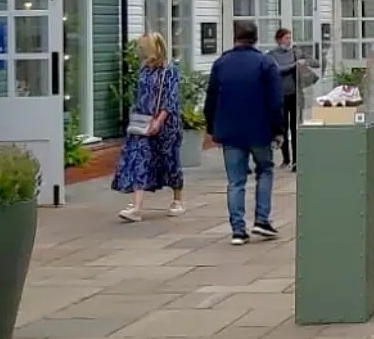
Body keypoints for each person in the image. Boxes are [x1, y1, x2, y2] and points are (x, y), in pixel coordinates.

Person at [203, 19, 283, 245]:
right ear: (255, 38)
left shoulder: (221, 63)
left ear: (235, 37)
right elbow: (275, 102)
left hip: (230, 130)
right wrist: (278, 130)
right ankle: (262, 219)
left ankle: (238, 230)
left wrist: (212, 128)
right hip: (260, 130)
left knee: (235, 181)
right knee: (265, 170)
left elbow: (211, 100)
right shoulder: (266, 64)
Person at [115, 33, 184, 222]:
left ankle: (177, 199)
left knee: (170, 162)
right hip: (143, 122)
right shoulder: (144, 70)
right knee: (140, 159)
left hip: (166, 125)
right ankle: (136, 207)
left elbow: (171, 99)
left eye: (143, 47)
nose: (140, 51)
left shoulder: (169, 71)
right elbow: (140, 95)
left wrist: (159, 120)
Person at [268, 28, 314, 169]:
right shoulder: (272, 55)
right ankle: (285, 159)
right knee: (282, 128)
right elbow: (278, 70)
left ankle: (296, 160)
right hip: (280, 95)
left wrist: (305, 60)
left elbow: (314, 62)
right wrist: (295, 65)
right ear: (279, 39)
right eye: (287, 38)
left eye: (290, 38)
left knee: (295, 127)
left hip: (295, 94)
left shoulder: (295, 52)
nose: (289, 40)